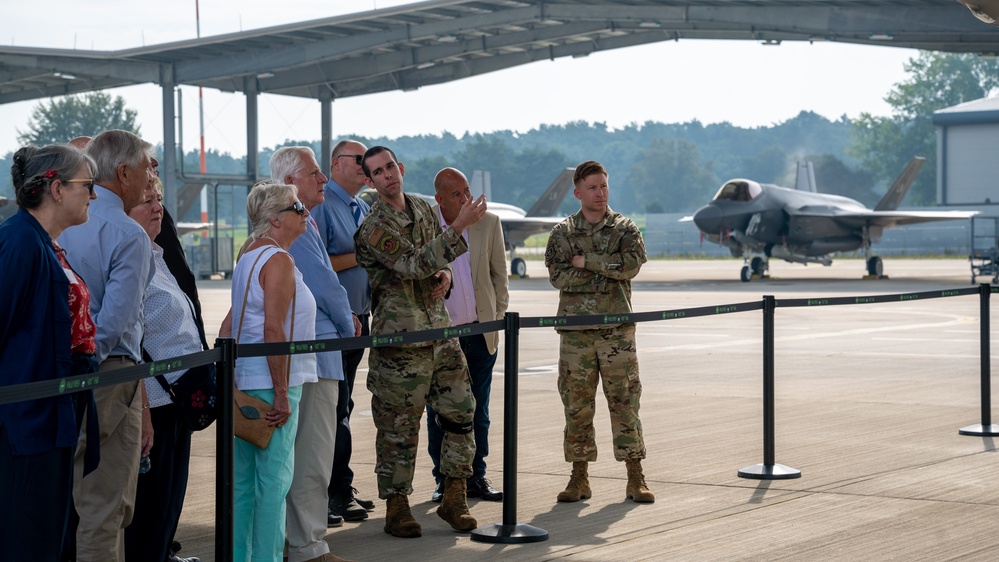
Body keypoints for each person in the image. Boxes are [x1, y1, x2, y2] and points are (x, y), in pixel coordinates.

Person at [354, 146, 485, 538]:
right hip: (401, 343)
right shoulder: (374, 228)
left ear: (401, 168)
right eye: (378, 172)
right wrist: (458, 228)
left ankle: (455, 496)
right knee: (399, 429)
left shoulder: (424, 210)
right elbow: (411, 264)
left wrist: (445, 276)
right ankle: (397, 507)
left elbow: (433, 261)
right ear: (369, 181)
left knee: (462, 412)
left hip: (439, 332)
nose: (387, 176)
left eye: (390, 167)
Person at [59, 129, 157, 562]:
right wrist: (86, 364)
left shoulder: (65, 223)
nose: (147, 178)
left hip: (64, 369)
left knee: (74, 497)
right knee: (107, 503)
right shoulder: (127, 233)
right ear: (122, 173)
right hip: (110, 372)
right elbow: (115, 322)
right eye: (143, 169)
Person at [0, 144, 98, 561]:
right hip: (25, 423)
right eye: (87, 186)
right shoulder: (20, 243)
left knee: (48, 534)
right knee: (26, 536)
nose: (93, 196)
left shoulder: (45, 244)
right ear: (56, 189)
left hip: (52, 416)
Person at [544, 160, 655, 504]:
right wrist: (607, 271)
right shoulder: (562, 233)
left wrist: (586, 262)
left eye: (604, 186)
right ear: (578, 193)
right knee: (577, 406)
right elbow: (558, 276)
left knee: (625, 403)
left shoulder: (625, 229)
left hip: (616, 335)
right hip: (576, 336)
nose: (600, 193)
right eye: (592, 187)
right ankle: (579, 478)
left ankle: (635, 477)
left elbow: (631, 266)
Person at [220, 180, 317, 562]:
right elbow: (273, 329)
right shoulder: (278, 260)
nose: (304, 213)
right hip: (273, 383)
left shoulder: (249, 256)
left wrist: (229, 379)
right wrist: (280, 390)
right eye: (297, 208)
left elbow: (230, 325)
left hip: (247, 381)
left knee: (244, 484)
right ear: (275, 220)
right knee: (274, 483)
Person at [270, 147, 357, 562]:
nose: (323, 179)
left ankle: (301, 540)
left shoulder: (302, 222)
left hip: (312, 353)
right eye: (314, 172)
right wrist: (348, 323)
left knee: (307, 453)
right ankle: (307, 546)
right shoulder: (296, 226)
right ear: (291, 182)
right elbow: (325, 284)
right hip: (317, 353)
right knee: (312, 455)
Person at [123, 180, 201, 562]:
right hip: (155, 400)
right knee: (150, 507)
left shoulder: (157, 253)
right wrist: (144, 411)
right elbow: (129, 339)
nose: (158, 208)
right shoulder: (132, 258)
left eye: (159, 200)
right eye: (146, 200)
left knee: (170, 499)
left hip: (177, 397)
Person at [426, 167, 508, 503]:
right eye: (457, 194)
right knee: (440, 414)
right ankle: (444, 479)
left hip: (480, 332)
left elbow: (499, 276)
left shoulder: (488, 223)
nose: (466, 200)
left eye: (467, 191)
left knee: (479, 410)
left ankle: (476, 476)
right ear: (439, 199)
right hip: (442, 337)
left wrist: (497, 317)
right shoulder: (425, 224)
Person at [312, 139, 376, 524]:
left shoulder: (362, 207)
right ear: (336, 165)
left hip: (359, 320)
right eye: (359, 160)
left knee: (344, 408)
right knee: (332, 411)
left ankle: (340, 485)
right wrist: (366, 255)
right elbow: (316, 266)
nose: (366, 167)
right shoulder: (321, 206)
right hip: (333, 324)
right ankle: (331, 492)